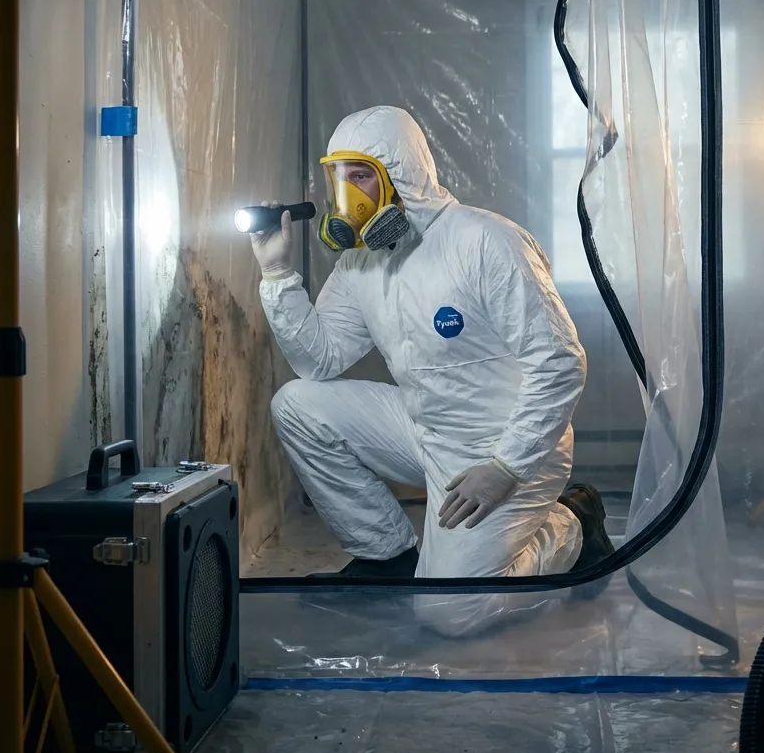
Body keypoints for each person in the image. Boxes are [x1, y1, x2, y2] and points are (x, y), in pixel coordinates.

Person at [252, 105, 613, 635]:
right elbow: (318, 360)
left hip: (504, 448)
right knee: (297, 405)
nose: (347, 195)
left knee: (452, 612)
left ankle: (573, 524)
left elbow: (559, 363)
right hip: (425, 431)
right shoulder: (362, 262)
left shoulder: (486, 242)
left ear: (400, 173)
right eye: (338, 178)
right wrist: (277, 273)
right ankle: (386, 557)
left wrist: (507, 468)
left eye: (360, 176)